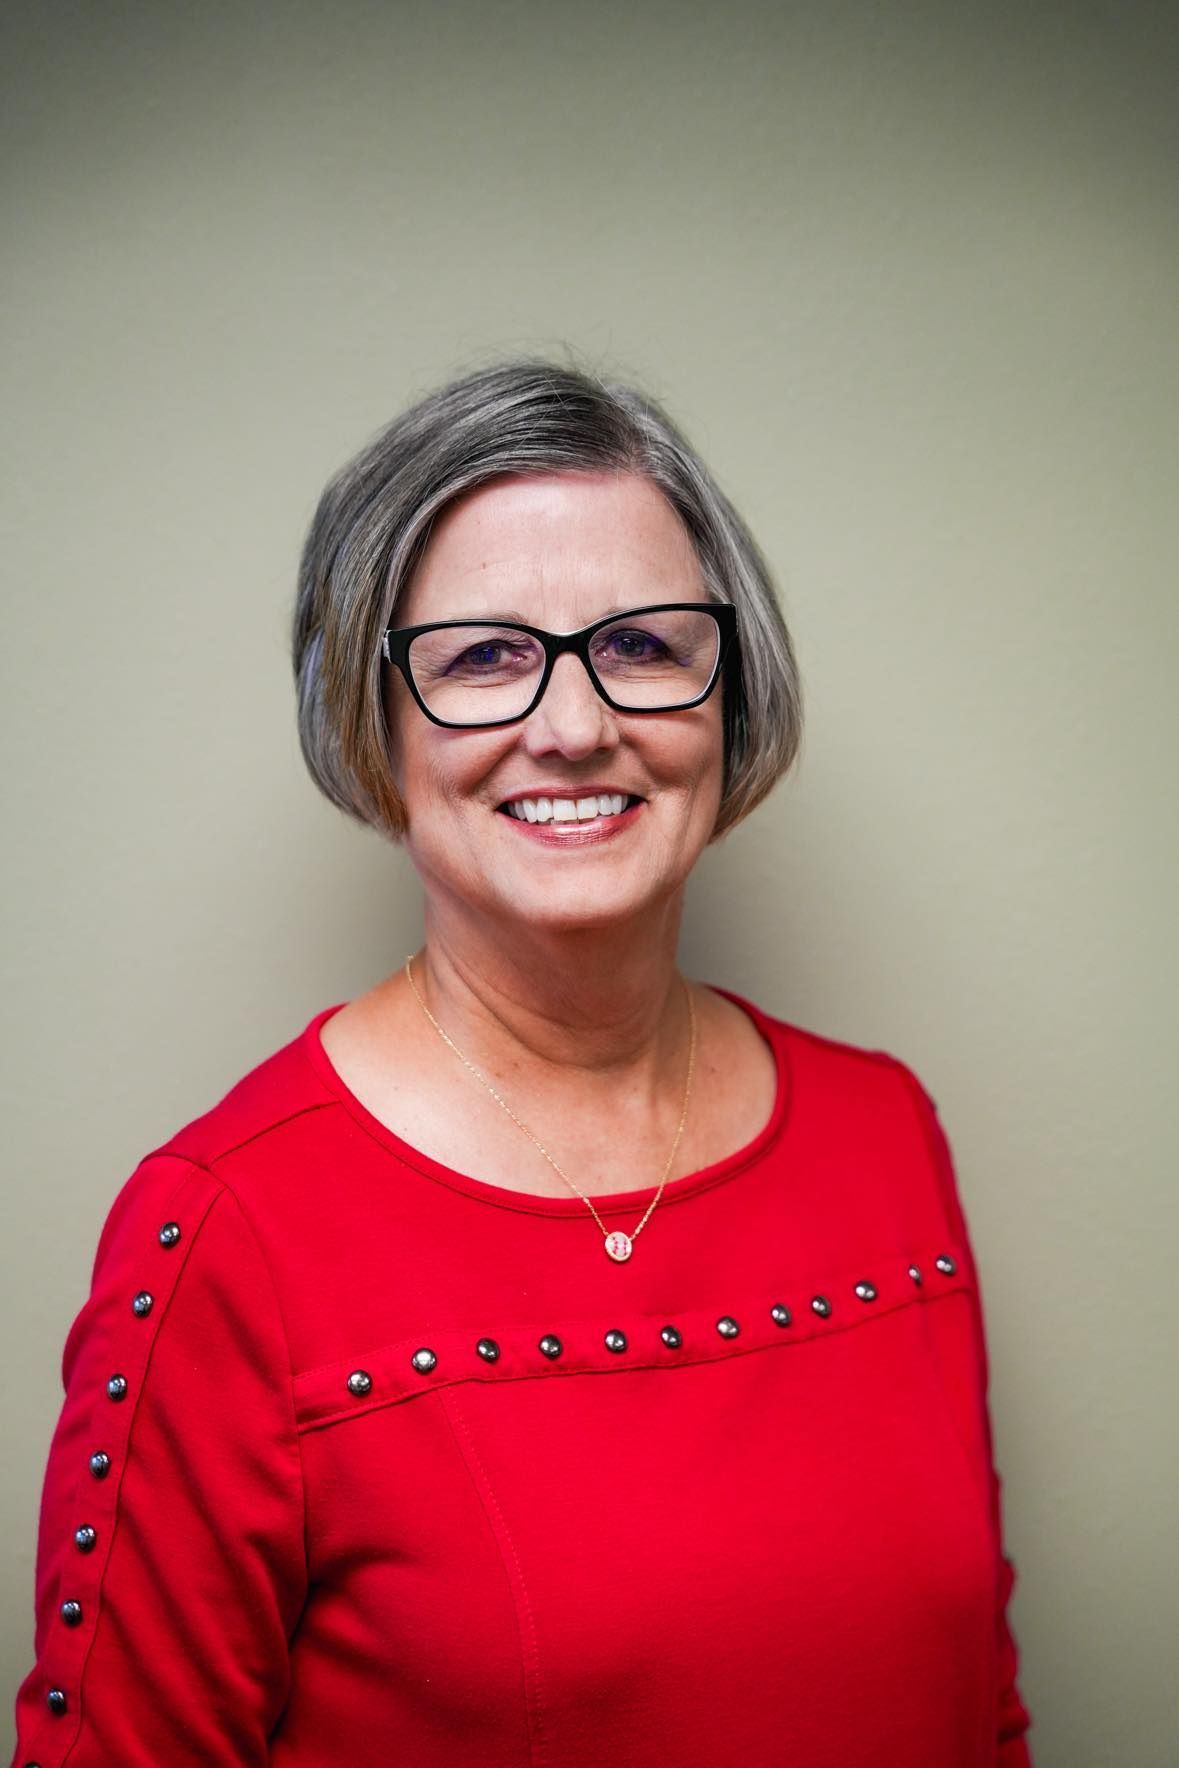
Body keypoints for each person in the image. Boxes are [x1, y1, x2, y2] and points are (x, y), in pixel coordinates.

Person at [10, 358, 1033, 1766]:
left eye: (644, 646)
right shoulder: (221, 1241)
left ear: (732, 699)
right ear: (375, 725)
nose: (573, 724)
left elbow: (977, 1713)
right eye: (484, 656)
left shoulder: (885, 1131)